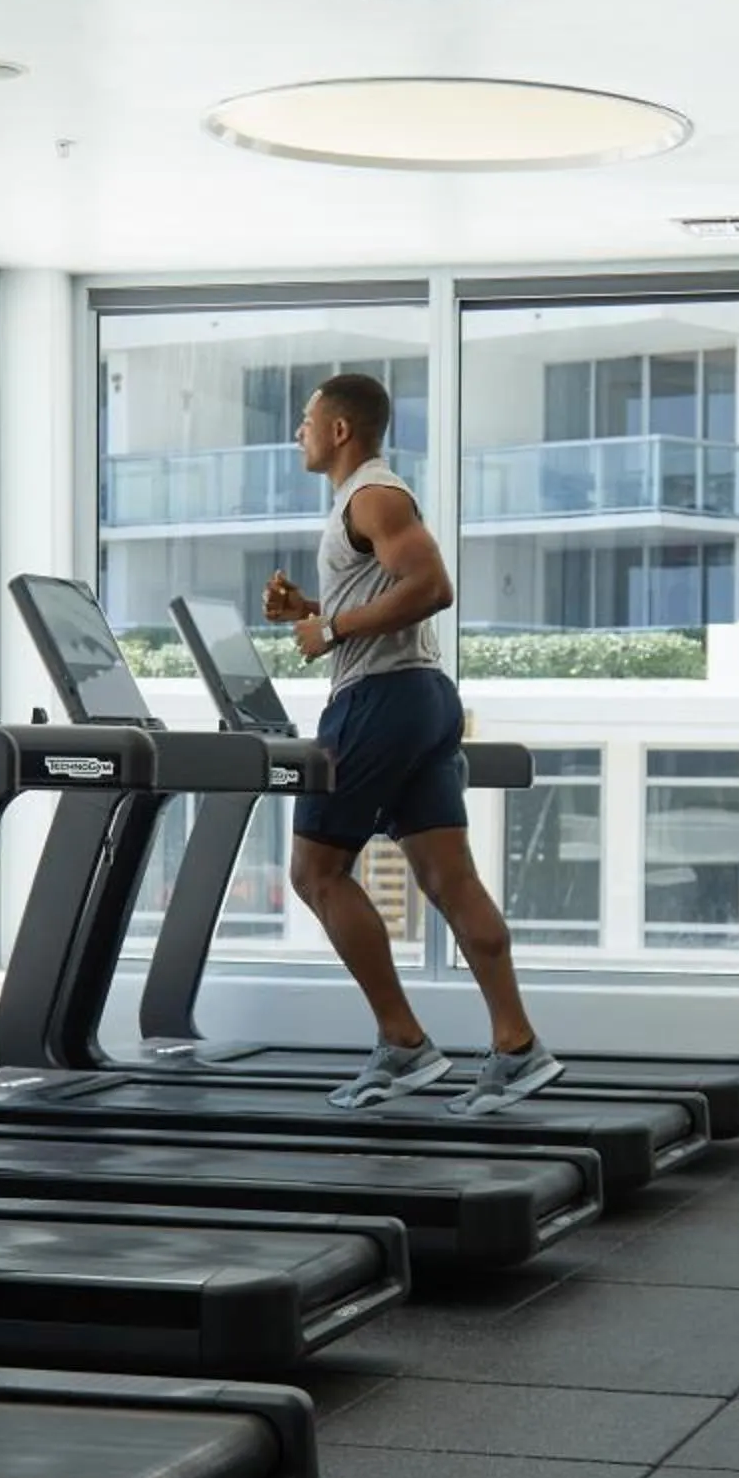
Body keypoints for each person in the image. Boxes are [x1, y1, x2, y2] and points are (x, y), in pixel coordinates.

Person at [264, 371, 565, 1115]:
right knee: (448, 879)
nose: (298, 432)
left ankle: (403, 1043)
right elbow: (385, 595)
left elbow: (431, 586)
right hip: (423, 697)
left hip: (379, 699)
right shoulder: (364, 502)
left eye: (307, 420)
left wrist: (332, 628)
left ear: (340, 429)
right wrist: (312, 610)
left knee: (315, 874)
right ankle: (517, 1047)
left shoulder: (372, 496)